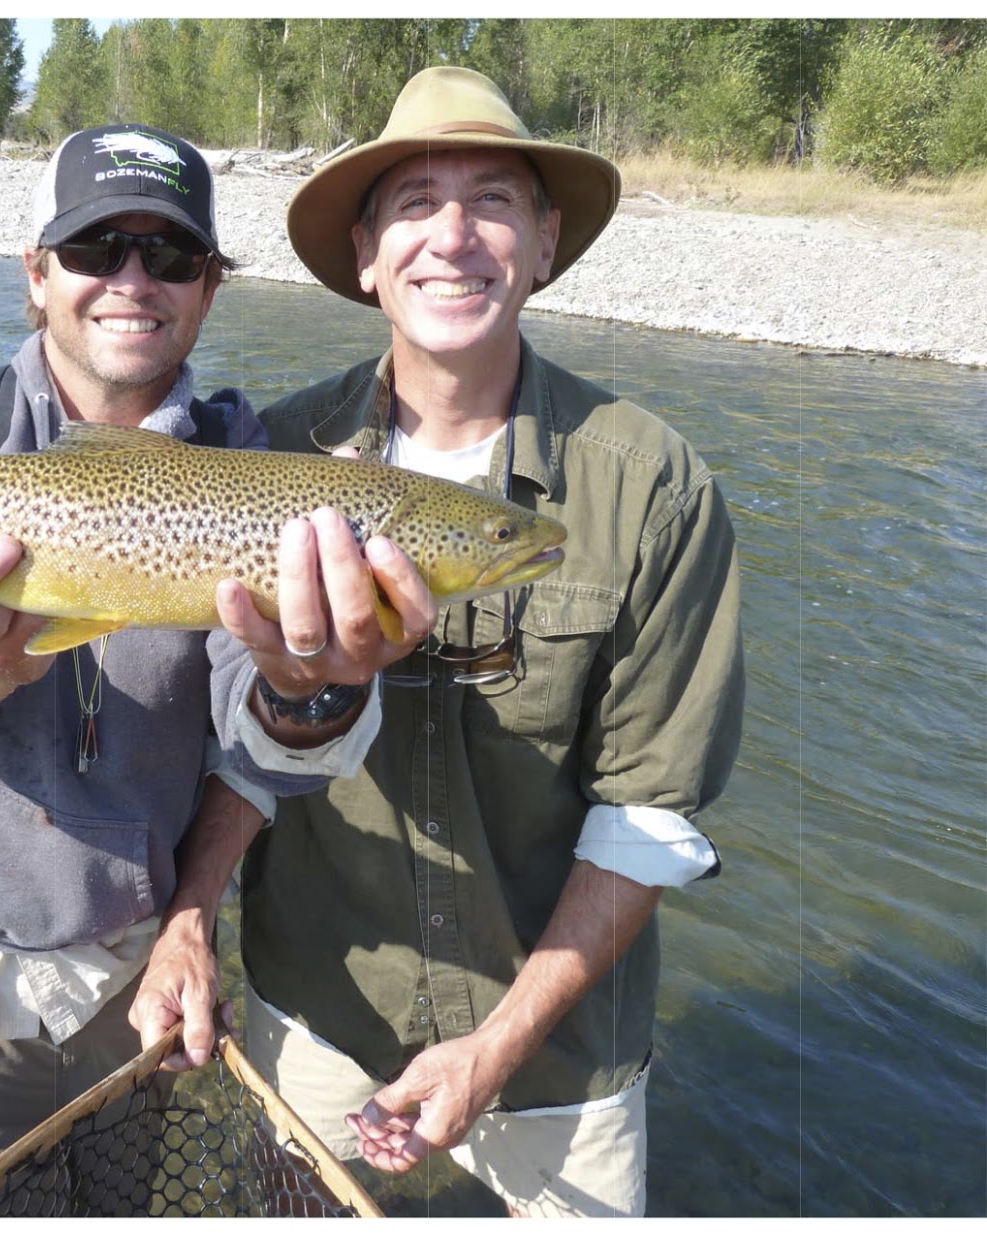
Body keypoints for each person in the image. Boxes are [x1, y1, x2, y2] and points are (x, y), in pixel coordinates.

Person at [135, 68, 745, 1217]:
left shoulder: (652, 485)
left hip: (559, 1065)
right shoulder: (273, 453)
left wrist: (496, 1049)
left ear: (545, 241)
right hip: (314, 1009)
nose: (451, 236)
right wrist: (187, 921)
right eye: (413, 201)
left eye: (494, 202)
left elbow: (651, 820)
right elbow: (236, 750)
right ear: (365, 253)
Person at [0, 122, 434, 1217]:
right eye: (97, 248)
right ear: (36, 276)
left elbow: (261, 731)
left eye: (171, 255)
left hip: (133, 979)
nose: (133, 280)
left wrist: (311, 686)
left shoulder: (258, 473)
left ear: (209, 289)